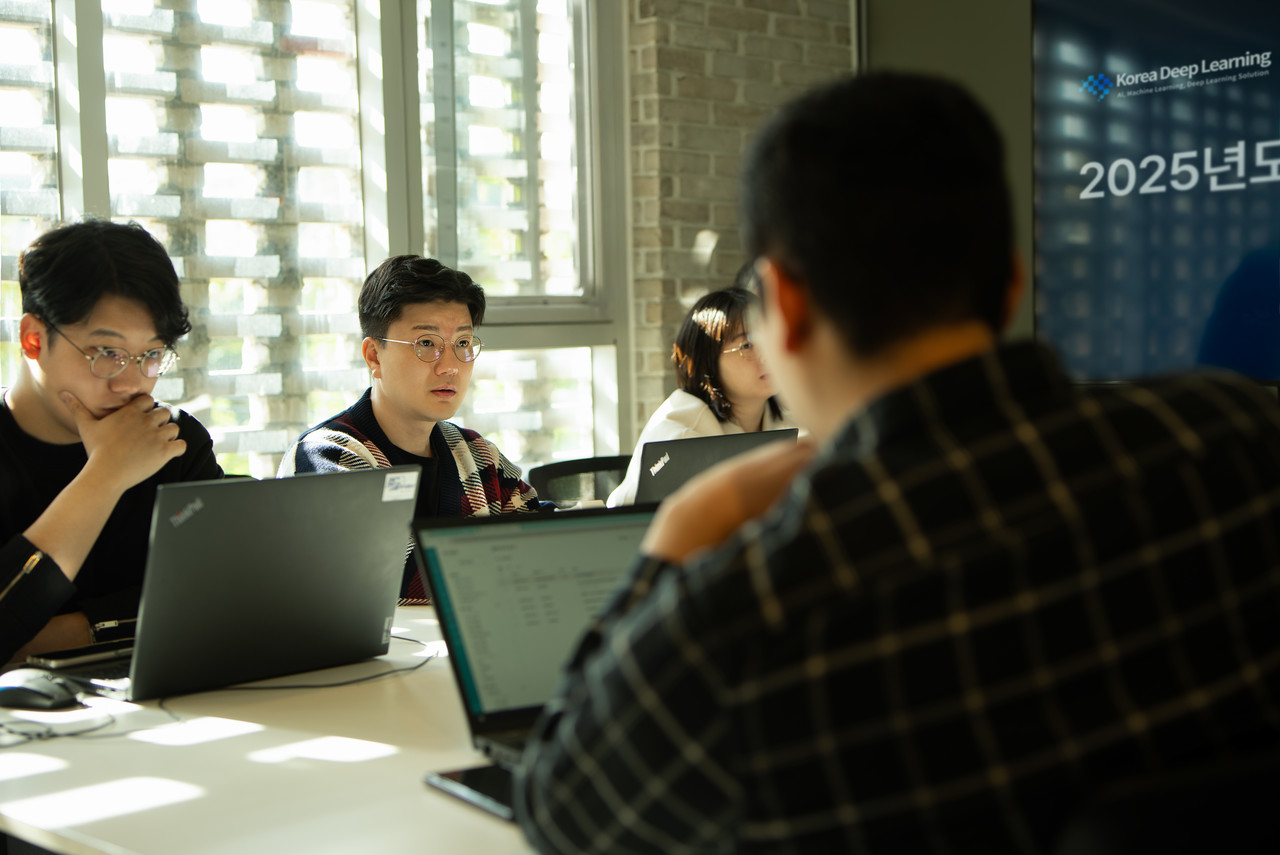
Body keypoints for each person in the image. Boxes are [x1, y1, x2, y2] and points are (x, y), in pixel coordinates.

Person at [513, 72, 1280, 853]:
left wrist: (680, 534)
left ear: (787, 304)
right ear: (1012, 282)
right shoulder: (1240, 432)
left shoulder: (750, 620)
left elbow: (565, 812)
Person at [0, 220, 222, 665]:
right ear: (32, 338)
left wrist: (66, 633)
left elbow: (222, 594)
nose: (133, 384)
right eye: (108, 354)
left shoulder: (174, 441)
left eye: (152, 355)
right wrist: (104, 477)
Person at [277, 255, 544, 603]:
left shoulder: (477, 454)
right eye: (427, 344)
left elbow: (540, 541)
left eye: (463, 344)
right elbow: (378, 579)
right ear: (374, 356)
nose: (450, 366)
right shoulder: (328, 456)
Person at [607, 281, 795, 506]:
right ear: (706, 361)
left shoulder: (792, 417)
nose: (767, 355)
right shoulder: (679, 435)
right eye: (747, 345)